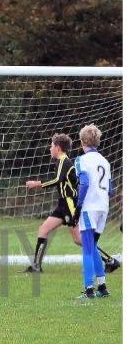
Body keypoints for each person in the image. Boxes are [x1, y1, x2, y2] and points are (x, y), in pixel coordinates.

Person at [24, 133, 119, 273]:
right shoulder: (60, 162)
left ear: (58, 147)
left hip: (69, 205)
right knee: (43, 229)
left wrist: (36, 184)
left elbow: (57, 180)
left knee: (79, 239)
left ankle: (110, 261)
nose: (50, 148)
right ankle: (36, 266)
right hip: (63, 204)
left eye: (51, 146)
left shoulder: (64, 161)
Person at [73, 124, 113, 299]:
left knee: (87, 249)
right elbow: (110, 189)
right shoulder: (105, 161)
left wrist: (78, 206)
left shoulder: (81, 160)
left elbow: (84, 183)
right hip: (103, 208)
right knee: (93, 246)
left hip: (89, 208)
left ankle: (89, 290)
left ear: (82, 142)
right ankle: (102, 287)